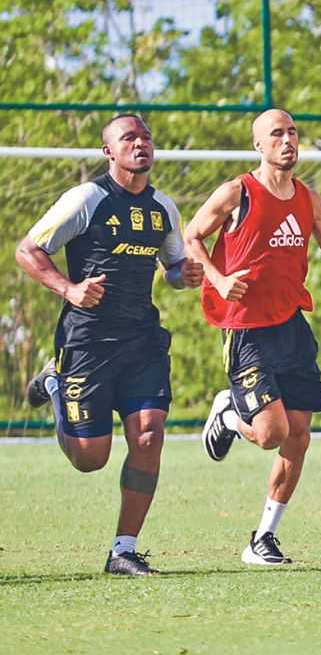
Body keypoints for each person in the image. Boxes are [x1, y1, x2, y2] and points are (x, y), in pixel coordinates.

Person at [184, 108, 321, 566]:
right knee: (271, 433)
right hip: (247, 328)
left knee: (300, 436)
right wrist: (217, 277)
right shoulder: (237, 192)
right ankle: (230, 415)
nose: (288, 140)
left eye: (292, 132)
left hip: (292, 327)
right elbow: (191, 235)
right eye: (277, 134)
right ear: (259, 145)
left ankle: (263, 539)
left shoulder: (311, 201)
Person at [16, 114, 203, 576]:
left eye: (146, 137)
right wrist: (69, 289)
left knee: (147, 435)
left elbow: (173, 267)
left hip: (141, 340)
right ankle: (57, 382)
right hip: (87, 343)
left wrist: (186, 275)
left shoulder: (164, 208)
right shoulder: (86, 199)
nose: (141, 144)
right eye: (129, 138)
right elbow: (27, 250)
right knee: (89, 458)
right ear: (108, 152)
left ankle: (124, 549)